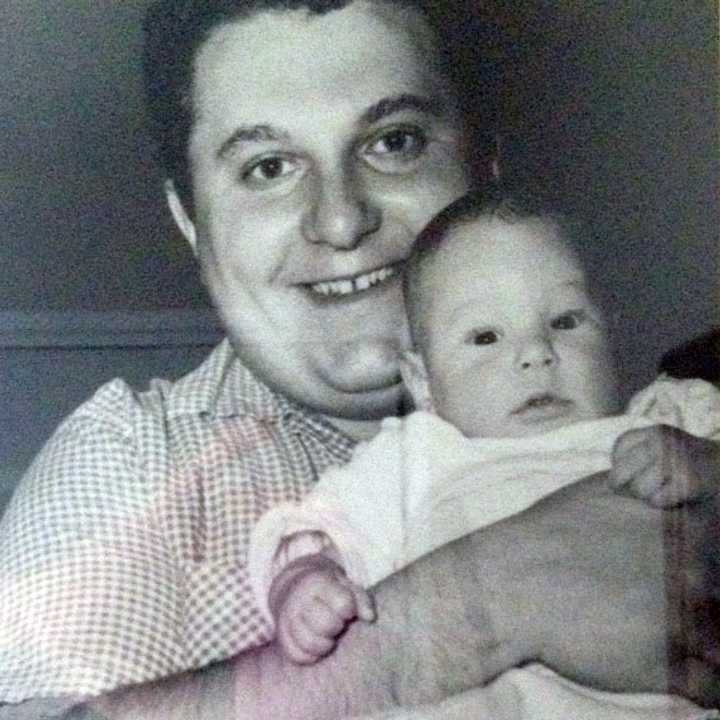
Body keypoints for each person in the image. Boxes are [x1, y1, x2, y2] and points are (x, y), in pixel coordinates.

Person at [0, 1, 718, 718]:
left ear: (484, 167)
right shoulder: (129, 460)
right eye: (269, 167)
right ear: (190, 221)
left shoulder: (652, 403)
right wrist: (482, 606)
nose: (342, 221)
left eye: (395, 141)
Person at [246, 185, 720, 718]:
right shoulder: (416, 456)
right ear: (423, 381)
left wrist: (705, 466)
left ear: (613, 338)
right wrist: (305, 584)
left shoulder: (669, 417)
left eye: (565, 321)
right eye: (486, 337)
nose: (536, 354)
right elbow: (311, 530)